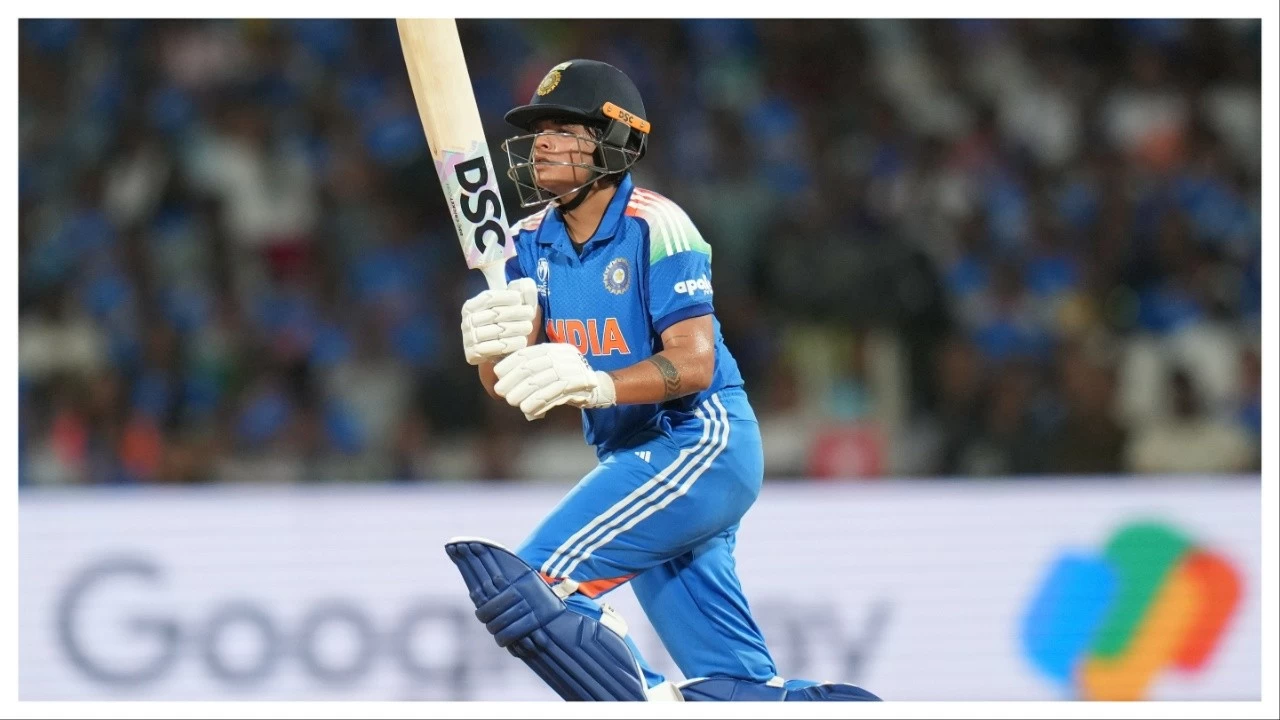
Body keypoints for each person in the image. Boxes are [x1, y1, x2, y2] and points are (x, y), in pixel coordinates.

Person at [444, 59, 880, 702]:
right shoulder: (524, 241)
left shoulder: (658, 225)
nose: (542, 142)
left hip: (700, 441)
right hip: (634, 455)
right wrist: (489, 352)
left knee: (533, 585)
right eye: (538, 129)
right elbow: (520, 384)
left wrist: (596, 385)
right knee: (732, 688)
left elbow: (693, 362)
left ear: (613, 142)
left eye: (564, 128)